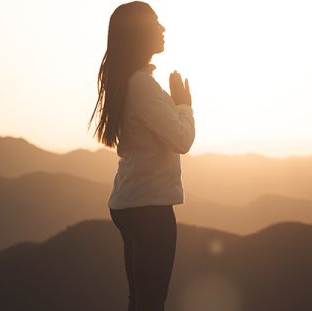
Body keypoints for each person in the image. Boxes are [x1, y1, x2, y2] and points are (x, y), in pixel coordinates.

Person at [87, 2, 195, 310]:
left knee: (140, 299)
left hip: (129, 202)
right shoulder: (142, 85)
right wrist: (184, 104)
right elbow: (182, 140)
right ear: (139, 34)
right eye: (156, 23)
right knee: (151, 302)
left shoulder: (126, 81)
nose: (163, 29)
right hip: (150, 206)